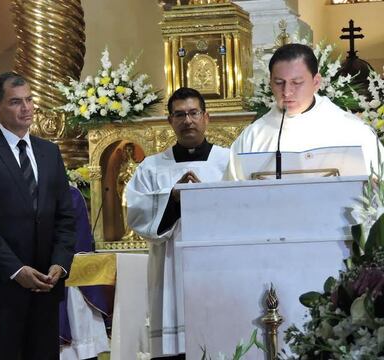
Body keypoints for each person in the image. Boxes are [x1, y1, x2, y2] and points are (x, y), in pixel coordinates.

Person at [0, 72, 76, 360]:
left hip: (45, 288)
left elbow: (65, 216)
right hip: (1, 290)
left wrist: (59, 263)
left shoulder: (49, 152)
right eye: (16, 102)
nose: (26, 108)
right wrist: (16, 270)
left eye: (29, 100)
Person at [125, 87, 230, 359]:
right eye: (180, 114)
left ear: (207, 117)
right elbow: (137, 215)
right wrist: (172, 198)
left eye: (194, 113)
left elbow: (242, 210)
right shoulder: (151, 167)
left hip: (218, 265)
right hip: (169, 269)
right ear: (170, 121)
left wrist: (204, 196)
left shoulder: (228, 161)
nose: (188, 121)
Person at [227, 43, 383, 180]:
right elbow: (231, 195)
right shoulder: (253, 136)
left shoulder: (352, 131)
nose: (287, 91)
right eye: (279, 82)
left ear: (316, 82)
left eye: (297, 82)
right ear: (270, 83)